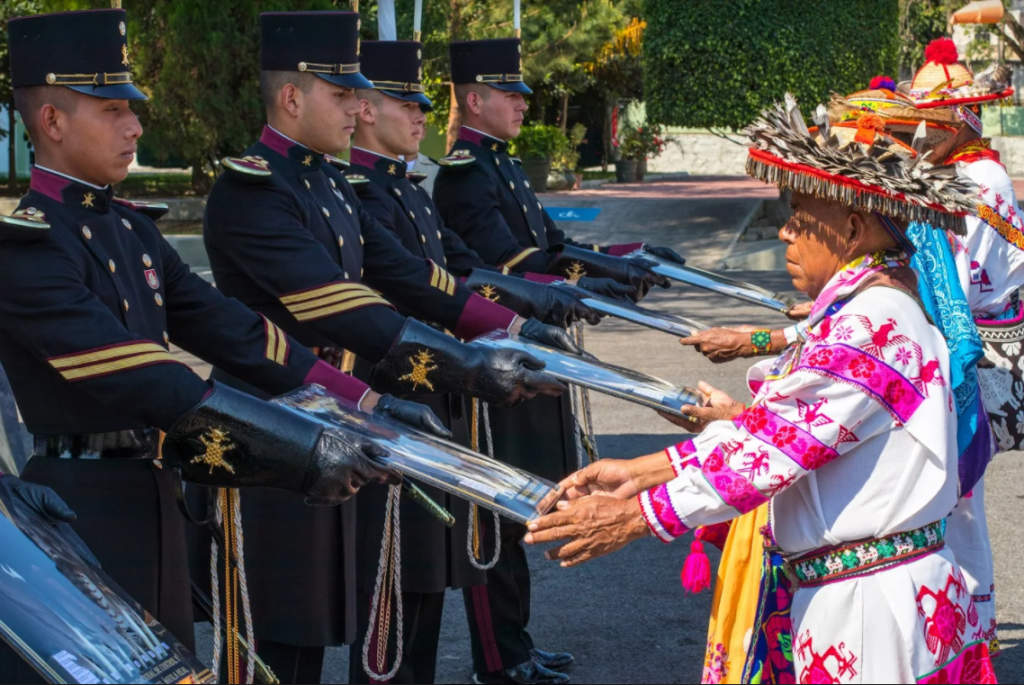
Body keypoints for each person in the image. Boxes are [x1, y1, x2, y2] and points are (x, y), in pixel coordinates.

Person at [0, 9, 452, 684]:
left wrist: (364, 401)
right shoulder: (26, 246)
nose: (136, 126)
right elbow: (140, 374)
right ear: (52, 121)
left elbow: (234, 330)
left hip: (156, 490)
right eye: (112, 109)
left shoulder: (133, 231)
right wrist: (296, 442)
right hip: (77, 505)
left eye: (134, 109)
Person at [527, 96, 997, 684]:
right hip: (872, 599)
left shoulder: (872, 322)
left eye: (801, 214)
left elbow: (775, 452)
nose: (785, 232)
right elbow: (773, 428)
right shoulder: (868, 305)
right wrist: (646, 471)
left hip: (874, 616)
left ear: (851, 230)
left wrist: (636, 516)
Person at [202, 13, 575, 684]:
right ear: (293, 97)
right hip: (278, 438)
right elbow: (336, 304)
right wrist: (463, 361)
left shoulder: (327, 185)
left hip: (343, 420)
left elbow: (415, 278)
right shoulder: (250, 192)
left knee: (375, 623)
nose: (359, 108)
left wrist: (514, 330)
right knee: (286, 642)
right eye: (344, 95)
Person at [337, 39, 608, 685]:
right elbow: (427, 283)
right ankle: (499, 656)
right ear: (368, 110)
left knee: (432, 562)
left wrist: (568, 286)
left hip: (449, 379)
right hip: (409, 384)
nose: (421, 116)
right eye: (407, 103)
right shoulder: (366, 190)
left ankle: (503, 651)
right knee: (403, 562)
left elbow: (464, 268)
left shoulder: (405, 187)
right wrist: (520, 312)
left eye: (423, 104)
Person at [432, 36, 686, 685]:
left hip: (535, 352)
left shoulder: (503, 167)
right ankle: (500, 657)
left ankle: (517, 643)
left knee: (529, 502)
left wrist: (625, 260)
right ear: (472, 98)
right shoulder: (465, 174)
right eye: (509, 93)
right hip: (499, 356)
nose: (522, 103)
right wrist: (591, 277)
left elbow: (553, 245)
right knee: (500, 506)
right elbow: (509, 268)